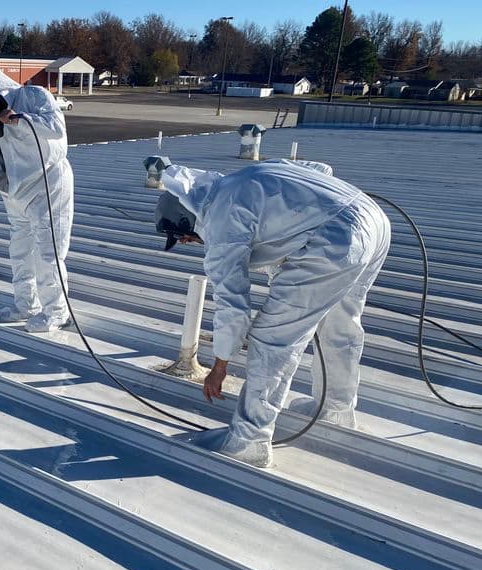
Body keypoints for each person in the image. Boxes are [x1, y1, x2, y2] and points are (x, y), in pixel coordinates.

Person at [155, 159, 391, 468]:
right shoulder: (238, 182)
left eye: (184, 237)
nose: (189, 243)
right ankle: (336, 409)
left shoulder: (219, 220)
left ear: (189, 219)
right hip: (373, 219)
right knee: (339, 327)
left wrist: (220, 365)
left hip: (337, 239)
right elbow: (320, 169)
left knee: (271, 337)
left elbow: (233, 303)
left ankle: (248, 443)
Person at [0, 63, 74, 333]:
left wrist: (18, 119)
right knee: (20, 252)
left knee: (48, 251)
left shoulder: (34, 97)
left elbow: (56, 128)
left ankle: (57, 311)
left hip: (48, 183)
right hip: (14, 193)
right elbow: (0, 160)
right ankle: (25, 305)